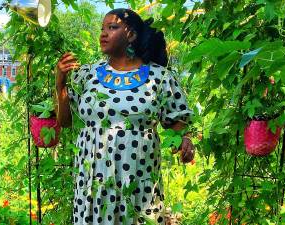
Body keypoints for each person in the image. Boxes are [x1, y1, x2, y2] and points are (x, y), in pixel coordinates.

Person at [55, 8, 194, 225]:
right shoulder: (88, 74)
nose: (103, 33)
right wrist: (60, 84)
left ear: (131, 35)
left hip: (138, 183)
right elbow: (65, 121)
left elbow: (178, 124)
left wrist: (185, 140)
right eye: (102, 28)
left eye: (112, 27)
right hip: (94, 185)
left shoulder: (160, 77)